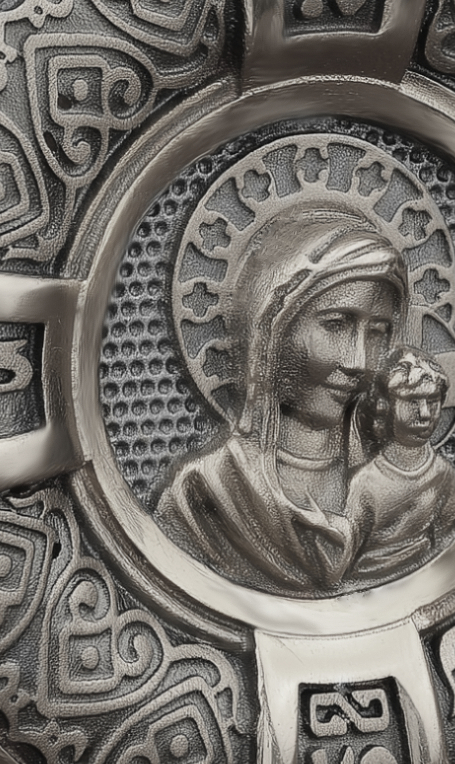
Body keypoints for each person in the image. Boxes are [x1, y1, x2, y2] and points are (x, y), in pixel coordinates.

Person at [153, 200, 410, 593]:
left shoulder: (397, 487)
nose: (358, 361)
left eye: (377, 333)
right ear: (273, 332)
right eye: (335, 324)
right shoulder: (207, 494)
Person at [341, 354, 455, 583]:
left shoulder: (444, 475)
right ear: (386, 406)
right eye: (412, 401)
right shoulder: (365, 483)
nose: (425, 413)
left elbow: (449, 547)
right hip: (367, 586)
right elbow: (344, 557)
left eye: (433, 401)